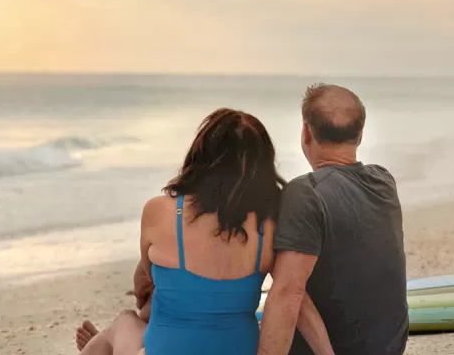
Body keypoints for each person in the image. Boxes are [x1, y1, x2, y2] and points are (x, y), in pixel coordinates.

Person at [74, 108, 332, 355]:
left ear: (199, 156)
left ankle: (104, 345)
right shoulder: (270, 226)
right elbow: (295, 297)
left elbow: (151, 279)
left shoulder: (159, 211)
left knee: (124, 321)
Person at [258, 84, 409, 355]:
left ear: (305, 132)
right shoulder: (384, 181)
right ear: (360, 135)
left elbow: (287, 294)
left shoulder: (306, 193)